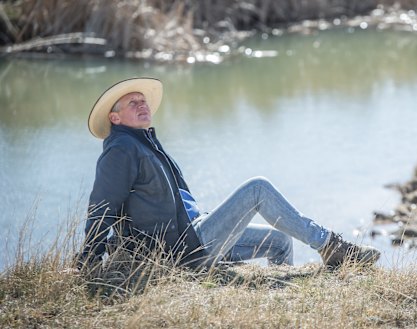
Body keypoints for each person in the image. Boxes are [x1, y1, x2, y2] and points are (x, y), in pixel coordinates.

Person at [80, 77, 380, 270]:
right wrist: (89, 259)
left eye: (143, 100)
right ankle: (331, 247)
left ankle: (281, 292)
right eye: (132, 103)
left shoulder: (144, 143)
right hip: (182, 250)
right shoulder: (121, 148)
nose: (142, 104)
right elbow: (103, 205)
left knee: (279, 241)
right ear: (115, 117)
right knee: (257, 189)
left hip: (196, 232)